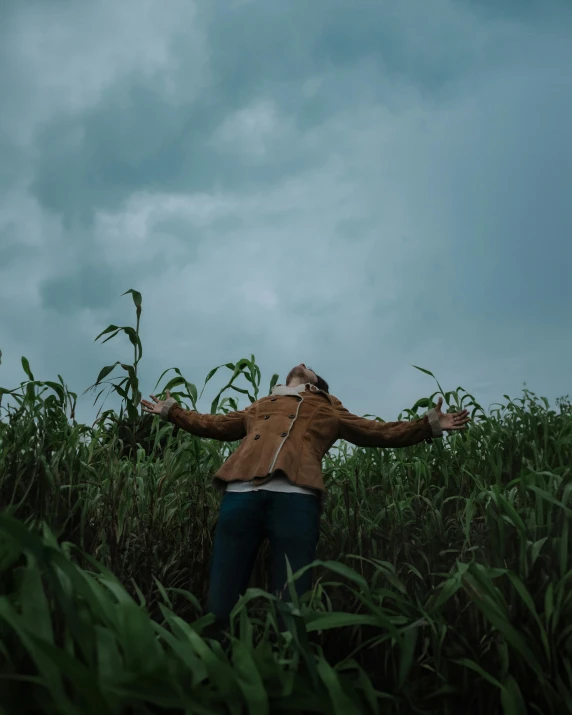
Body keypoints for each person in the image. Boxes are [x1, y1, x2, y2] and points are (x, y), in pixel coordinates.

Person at [141, 363, 470, 641]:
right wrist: (173, 412)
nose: (302, 364)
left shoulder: (329, 407)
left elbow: (378, 432)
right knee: (220, 604)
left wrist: (428, 425)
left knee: (292, 605)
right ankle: (215, 678)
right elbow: (217, 424)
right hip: (240, 494)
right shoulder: (262, 403)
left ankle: (289, 672)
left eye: (310, 368)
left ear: (317, 383)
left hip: (295, 499)